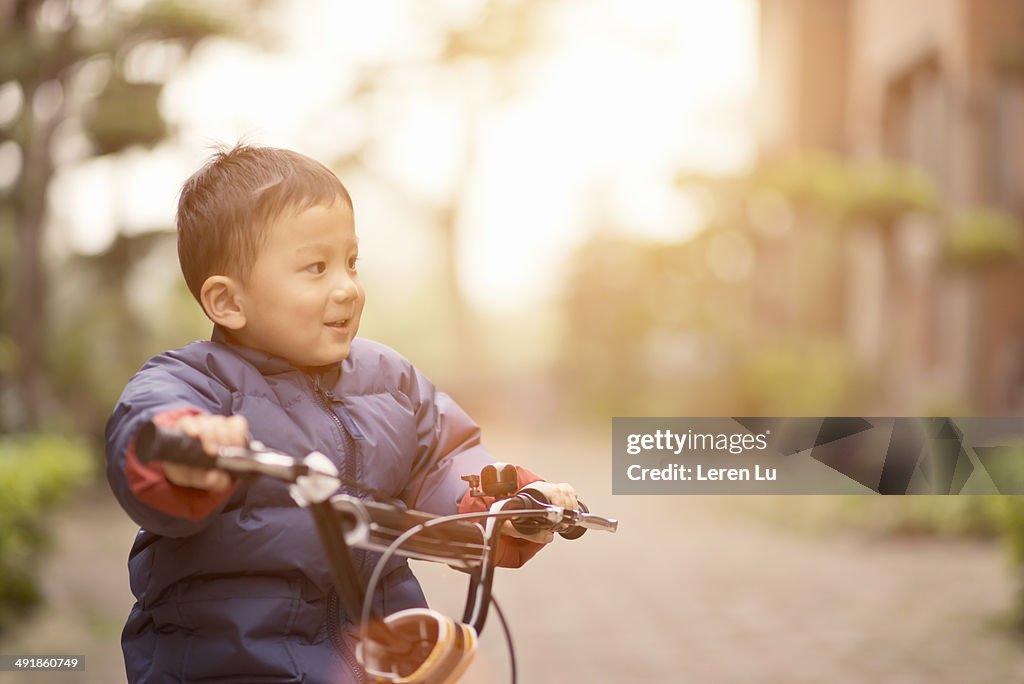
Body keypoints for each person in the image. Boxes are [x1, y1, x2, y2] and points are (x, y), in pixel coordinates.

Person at [105, 143, 577, 683]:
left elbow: (444, 463)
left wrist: (503, 503)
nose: (347, 287)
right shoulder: (192, 383)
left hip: (371, 660)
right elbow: (143, 431)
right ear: (228, 302)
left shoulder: (389, 379)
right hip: (234, 666)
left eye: (351, 262)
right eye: (315, 267)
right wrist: (187, 449)